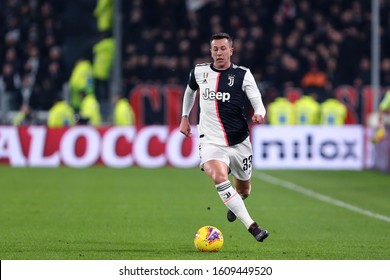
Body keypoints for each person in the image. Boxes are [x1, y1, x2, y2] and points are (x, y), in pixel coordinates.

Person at [179, 33, 269, 242]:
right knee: (219, 177)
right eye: (215, 49)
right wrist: (184, 116)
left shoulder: (243, 74)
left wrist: (259, 114)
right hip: (210, 141)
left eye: (222, 48)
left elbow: (258, 101)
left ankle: (235, 204)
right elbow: (190, 91)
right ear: (211, 51)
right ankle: (253, 227)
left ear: (231, 51)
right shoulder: (199, 72)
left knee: (244, 190)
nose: (218, 53)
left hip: (239, 142)